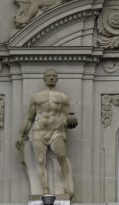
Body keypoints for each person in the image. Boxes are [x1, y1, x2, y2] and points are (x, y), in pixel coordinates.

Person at [16, 69, 77, 197]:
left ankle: (67, 187)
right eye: (48, 76)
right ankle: (44, 189)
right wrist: (21, 134)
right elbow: (29, 117)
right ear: (44, 79)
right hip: (39, 130)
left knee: (62, 156)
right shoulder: (36, 97)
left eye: (54, 76)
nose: (51, 78)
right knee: (40, 160)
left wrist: (71, 121)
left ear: (57, 79)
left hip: (56, 131)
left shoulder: (63, 97)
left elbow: (65, 117)